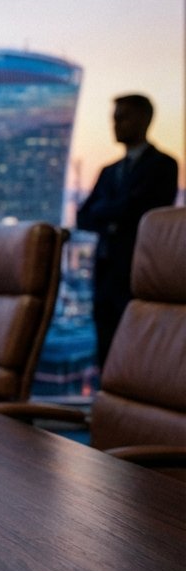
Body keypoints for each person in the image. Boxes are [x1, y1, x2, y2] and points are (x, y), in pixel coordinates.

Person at [77, 93, 178, 368]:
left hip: (140, 272)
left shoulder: (163, 165)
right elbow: (84, 215)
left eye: (123, 118)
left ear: (144, 119)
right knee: (106, 347)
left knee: (140, 351)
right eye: (114, 119)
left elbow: (141, 212)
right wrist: (116, 213)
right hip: (106, 273)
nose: (116, 124)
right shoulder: (108, 171)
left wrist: (106, 213)